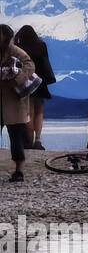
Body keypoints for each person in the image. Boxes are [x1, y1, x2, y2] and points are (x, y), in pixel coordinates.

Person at [0, 24, 37, 182]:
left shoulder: (16, 52)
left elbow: (30, 66)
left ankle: (18, 170)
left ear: (6, 36)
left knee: (15, 135)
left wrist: (15, 78)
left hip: (13, 100)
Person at [14, 26, 54, 151]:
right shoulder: (41, 45)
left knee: (29, 112)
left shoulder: (19, 47)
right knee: (40, 111)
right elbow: (45, 63)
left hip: (26, 81)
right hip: (40, 81)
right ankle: (38, 139)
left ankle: (29, 141)